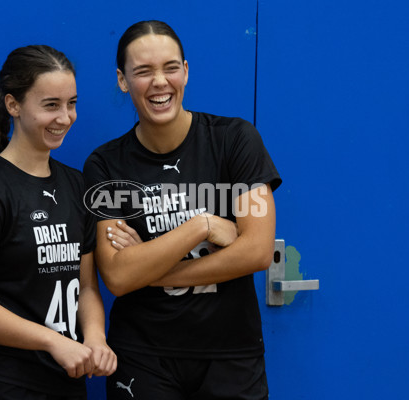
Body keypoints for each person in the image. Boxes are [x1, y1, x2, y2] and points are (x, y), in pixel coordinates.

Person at [83, 21, 281, 400]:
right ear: (123, 81)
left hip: (231, 354)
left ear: (186, 72)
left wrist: (154, 271)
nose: (160, 82)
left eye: (170, 67)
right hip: (143, 356)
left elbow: (256, 251)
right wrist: (201, 226)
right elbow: (119, 277)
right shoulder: (106, 166)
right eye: (143, 71)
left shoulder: (236, 141)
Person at [0, 44, 116, 400]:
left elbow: (85, 286)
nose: (65, 117)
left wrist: (96, 338)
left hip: (65, 383)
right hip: (0, 383)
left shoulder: (76, 185)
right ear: (13, 105)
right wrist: (52, 341)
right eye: (51, 105)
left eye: (71, 103)